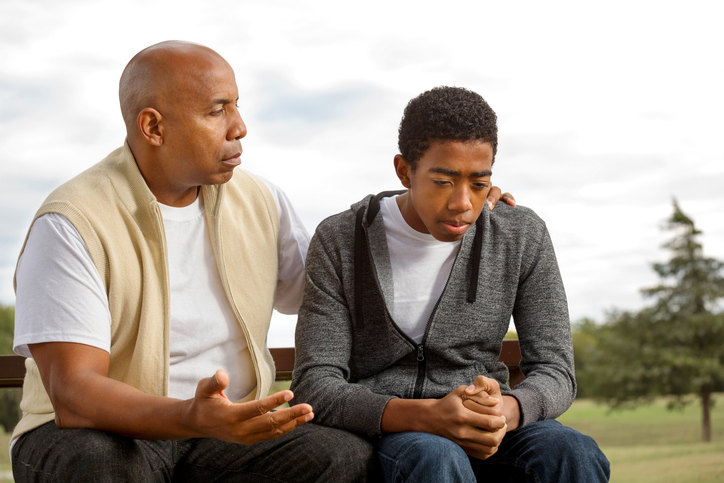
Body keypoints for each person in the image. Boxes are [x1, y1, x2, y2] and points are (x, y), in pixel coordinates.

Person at [11, 43, 513, 482]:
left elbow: (341, 282)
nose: (240, 126)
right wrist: (192, 416)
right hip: (106, 435)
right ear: (152, 126)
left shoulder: (260, 200)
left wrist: (449, 207)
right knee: (96, 461)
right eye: (217, 110)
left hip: (223, 432)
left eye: (237, 105)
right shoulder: (72, 221)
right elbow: (75, 396)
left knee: (339, 455)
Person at [291, 86, 611, 482]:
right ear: (405, 170)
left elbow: (556, 370)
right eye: (444, 181)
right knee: (435, 457)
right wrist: (426, 416)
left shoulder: (520, 235)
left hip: (490, 425)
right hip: (399, 431)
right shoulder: (341, 239)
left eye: (478, 183)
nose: (463, 203)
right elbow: (315, 384)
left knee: (573, 453)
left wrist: (506, 412)